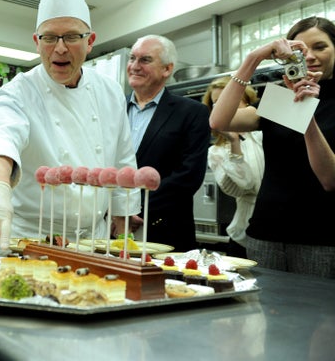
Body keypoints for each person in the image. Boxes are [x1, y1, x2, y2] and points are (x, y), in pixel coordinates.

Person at [0, 0, 140, 250]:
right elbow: (1, 133)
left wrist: (124, 227)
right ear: (37, 42)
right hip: (31, 238)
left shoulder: (110, 91)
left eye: (72, 37)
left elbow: (123, 160)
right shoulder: (20, 89)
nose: (59, 48)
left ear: (90, 41)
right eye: (49, 37)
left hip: (94, 240)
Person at [210, 16, 335, 278]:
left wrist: (306, 114)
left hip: (322, 236)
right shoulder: (281, 96)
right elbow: (219, 120)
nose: (309, 56)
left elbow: (329, 178)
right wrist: (253, 59)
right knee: (266, 315)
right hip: (265, 233)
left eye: (320, 47)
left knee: (319, 315)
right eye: (300, 50)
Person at [125, 35, 210, 252]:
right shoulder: (113, 108)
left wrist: (135, 209)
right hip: (109, 228)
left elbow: (188, 176)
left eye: (145, 60)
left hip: (164, 232)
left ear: (167, 69)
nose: (134, 66)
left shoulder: (192, 112)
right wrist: (113, 209)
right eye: (132, 58)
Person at [202, 77, 265, 258]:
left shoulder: (268, 133)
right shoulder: (216, 151)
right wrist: (234, 141)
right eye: (217, 103)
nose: (225, 108)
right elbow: (243, 186)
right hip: (244, 234)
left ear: (247, 102)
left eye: (231, 100)